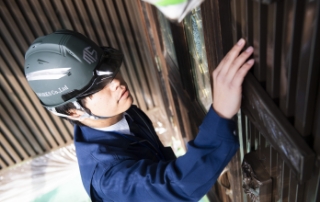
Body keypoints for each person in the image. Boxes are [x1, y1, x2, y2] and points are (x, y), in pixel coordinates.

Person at [24, 29, 254, 201]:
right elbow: (178, 184)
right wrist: (221, 114)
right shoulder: (110, 178)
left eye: (109, 70)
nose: (116, 82)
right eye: (96, 86)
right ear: (73, 111)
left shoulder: (122, 113)